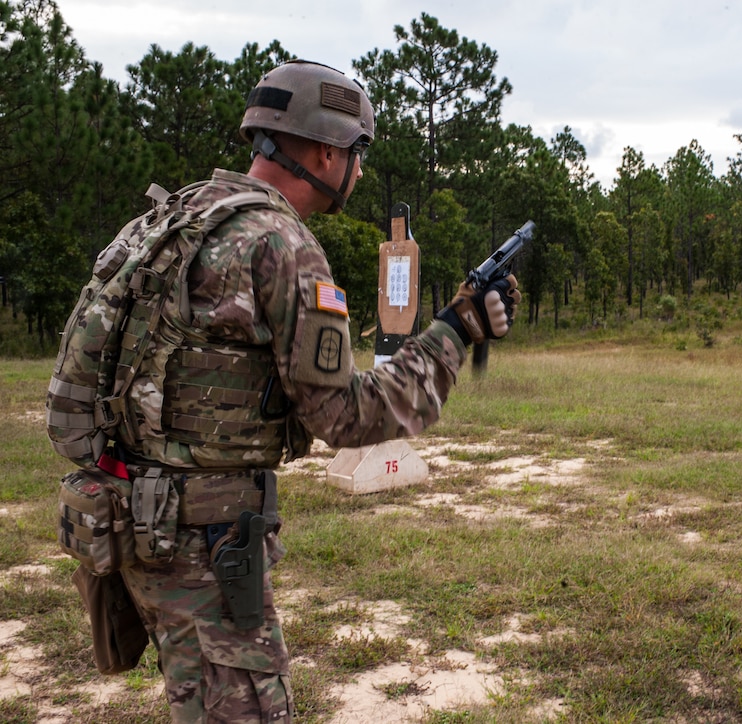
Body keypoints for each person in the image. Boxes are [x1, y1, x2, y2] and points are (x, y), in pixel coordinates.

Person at [113, 59, 521, 722]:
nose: (357, 170)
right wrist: (455, 331)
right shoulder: (279, 244)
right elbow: (348, 414)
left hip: (134, 527)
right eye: (357, 153)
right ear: (329, 154)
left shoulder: (169, 220)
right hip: (209, 543)